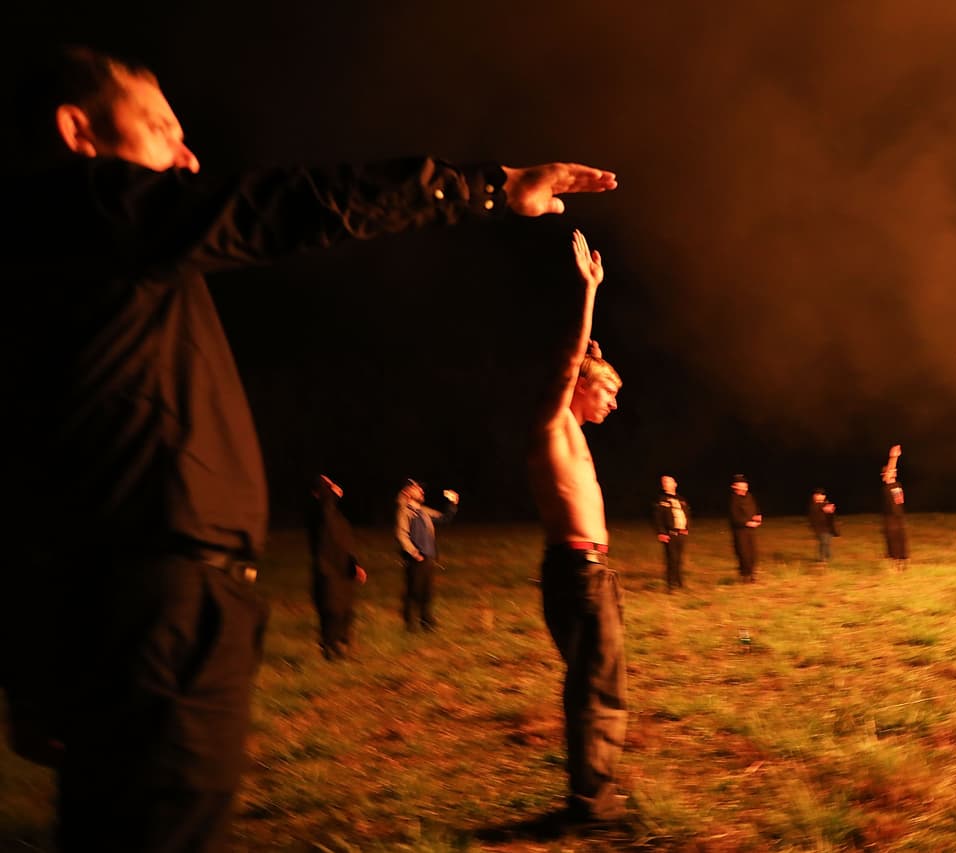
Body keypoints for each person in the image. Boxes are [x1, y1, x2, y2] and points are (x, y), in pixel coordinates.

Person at [3, 45, 618, 852]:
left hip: (149, 606)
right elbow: (285, 205)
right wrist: (486, 185)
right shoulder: (86, 208)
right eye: (159, 127)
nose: (188, 154)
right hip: (156, 610)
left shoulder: (108, 271)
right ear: (77, 133)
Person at [527, 230, 627, 823]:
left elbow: (580, 361)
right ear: (582, 387)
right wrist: (587, 292)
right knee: (596, 685)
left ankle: (592, 793)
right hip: (576, 570)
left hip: (588, 570)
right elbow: (569, 360)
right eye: (607, 391)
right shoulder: (551, 424)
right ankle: (594, 803)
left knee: (594, 680)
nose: (612, 402)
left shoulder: (574, 436)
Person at [305, 475, 367, 660]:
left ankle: (342, 643)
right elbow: (326, 510)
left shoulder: (334, 514)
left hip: (344, 569)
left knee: (346, 609)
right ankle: (330, 647)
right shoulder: (319, 512)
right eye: (328, 485)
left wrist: (354, 564)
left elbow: (345, 541)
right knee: (332, 609)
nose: (333, 487)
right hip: (328, 569)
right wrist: (333, 492)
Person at [396, 479, 459, 632]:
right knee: (414, 591)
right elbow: (401, 534)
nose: (421, 491)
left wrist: (453, 504)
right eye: (416, 488)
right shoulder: (405, 512)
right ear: (407, 493)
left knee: (427, 592)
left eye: (420, 489)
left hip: (429, 558)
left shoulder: (423, 511)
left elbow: (443, 519)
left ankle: (427, 623)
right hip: (416, 559)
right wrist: (414, 552)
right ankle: (410, 625)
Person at [652, 475, 691, 591]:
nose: (666, 484)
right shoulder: (662, 500)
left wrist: (687, 527)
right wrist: (661, 533)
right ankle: (671, 585)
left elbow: (687, 515)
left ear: (675, 484)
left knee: (679, 559)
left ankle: (679, 582)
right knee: (672, 559)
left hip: (681, 534)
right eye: (664, 482)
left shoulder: (681, 499)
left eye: (669, 482)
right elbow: (657, 518)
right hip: (670, 534)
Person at [728, 474, 763, 582]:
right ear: (735, 487)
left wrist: (758, 516)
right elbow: (734, 517)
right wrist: (747, 523)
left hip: (751, 530)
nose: (744, 487)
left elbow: (755, 508)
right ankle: (745, 575)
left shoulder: (749, 496)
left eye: (745, 485)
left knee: (753, 552)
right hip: (740, 531)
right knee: (743, 553)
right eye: (741, 485)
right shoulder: (733, 499)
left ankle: (752, 573)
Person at [881, 445, 909, 569]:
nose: (893, 471)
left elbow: (899, 501)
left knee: (902, 538)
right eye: (890, 471)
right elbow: (890, 471)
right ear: (885, 475)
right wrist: (893, 458)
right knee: (893, 541)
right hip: (890, 518)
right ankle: (895, 561)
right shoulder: (887, 487)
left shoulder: (897, 484)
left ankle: (903, 561)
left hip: (899, 516)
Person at [807, 487, 839, 564]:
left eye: (821, 495)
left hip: (828, 528)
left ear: (824, 496)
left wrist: (830, 510)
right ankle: (823, 559)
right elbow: (815, 512)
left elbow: (831, 516)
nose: (818, 496)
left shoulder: (826, 504)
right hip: (820, 528)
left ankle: (827, 556)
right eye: (816, 495)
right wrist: (824, 508)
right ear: (814, 496)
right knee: (823, 542)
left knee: (827, 543)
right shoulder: (813, 506)